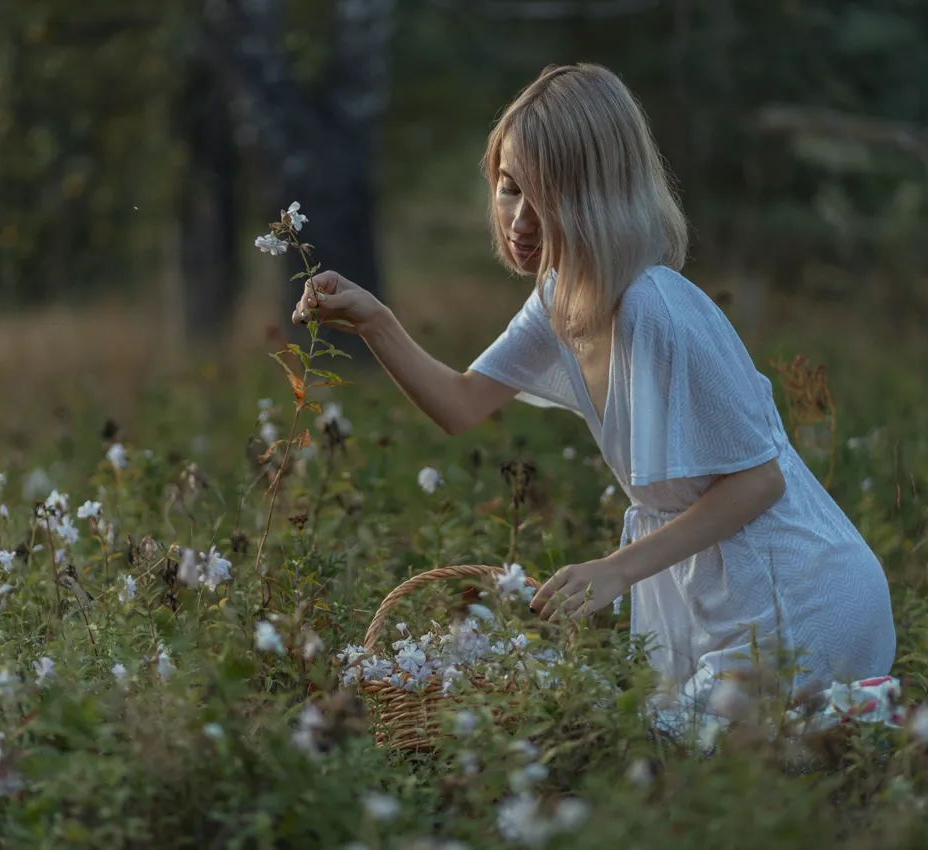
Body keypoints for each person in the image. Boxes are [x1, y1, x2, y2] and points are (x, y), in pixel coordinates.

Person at [290, 63, 896, 715]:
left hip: (802, 593)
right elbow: (461, 404)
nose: (521, 220)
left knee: (678, 747)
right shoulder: (558, 297)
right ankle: (852, 718)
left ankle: (862, 712)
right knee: (681, 748)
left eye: (547, 196)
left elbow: (760, 482)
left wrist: (616, 569)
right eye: (509, 187)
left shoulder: (654, 306)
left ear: (599, 197)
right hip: (726, 594)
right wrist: (375, 321)